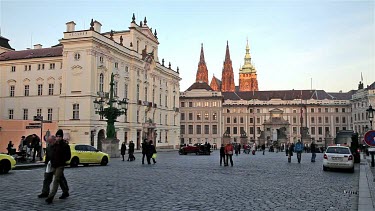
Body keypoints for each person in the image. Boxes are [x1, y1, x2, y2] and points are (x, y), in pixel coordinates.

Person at [45, 129, 71, 204]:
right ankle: (65, 191)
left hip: (60, 165)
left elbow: (68, 156)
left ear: (62, 137)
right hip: (54, 165)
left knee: (56, 180)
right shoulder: (54, 145)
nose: (58, 138)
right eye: (57, 136)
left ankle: (51, 197)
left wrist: (62, 160)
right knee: (60, 179)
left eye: (60, 136)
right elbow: (51, 154)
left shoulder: (65, 146)